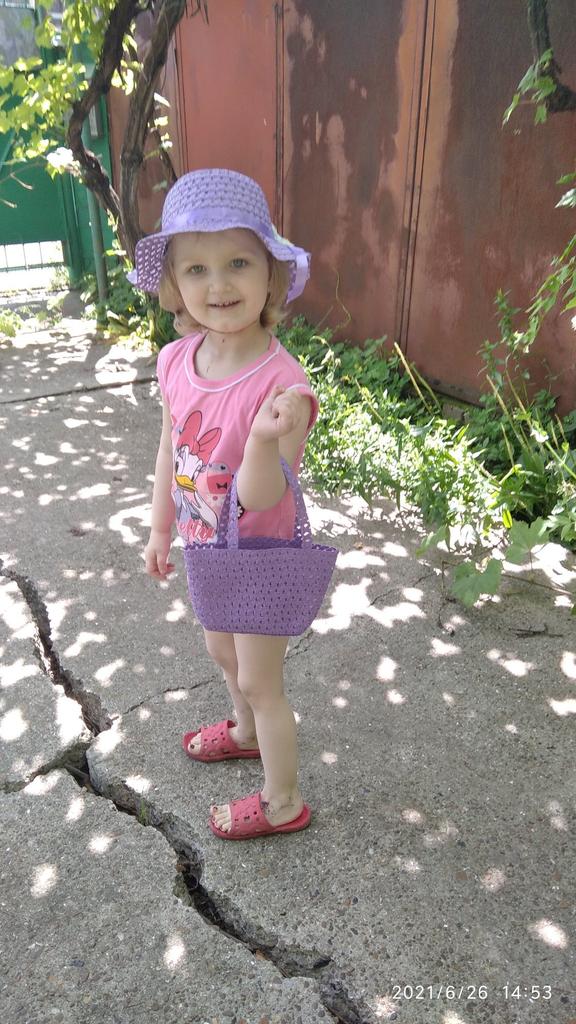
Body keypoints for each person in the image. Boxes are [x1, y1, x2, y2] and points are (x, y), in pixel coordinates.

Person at [128, 169, 319, 840]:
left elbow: (263, 495)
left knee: (263, 682)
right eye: (197, 269)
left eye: (238, 262)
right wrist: (160, 527)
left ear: (271, 273)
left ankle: (282, 800)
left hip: (260, 554)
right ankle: (243, 732)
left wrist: (263, 441)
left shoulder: (283, 387)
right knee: (220, 650)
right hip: (203, 546)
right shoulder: (176, 361)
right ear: (174, 285)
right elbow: (170, 447)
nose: (219, 284)